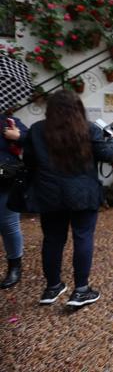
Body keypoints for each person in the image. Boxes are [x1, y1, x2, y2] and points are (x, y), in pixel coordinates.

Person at [22, 90, 113, 307]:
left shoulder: (38, 129)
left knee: (52, 239)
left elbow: (29, 161)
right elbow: (106, 154)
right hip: (82, 193)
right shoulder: (88, 128)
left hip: (49, 194)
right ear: (78, 108)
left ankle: (52, 287)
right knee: (83, 237)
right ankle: (81, 290)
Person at [0, 113, 28, 289]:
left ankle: (15, 266)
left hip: (4, 179)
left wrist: (17, 136)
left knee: (8, 224)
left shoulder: (7, 120)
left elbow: (28, 138)